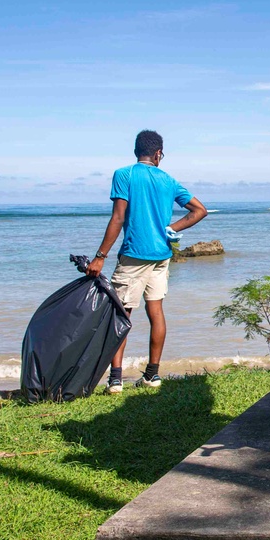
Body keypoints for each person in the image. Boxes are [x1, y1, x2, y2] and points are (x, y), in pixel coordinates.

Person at [86, 130, 207, 393]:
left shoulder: (124, 174)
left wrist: (99, 257)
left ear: (136, 152)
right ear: (158, 153)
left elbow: (118, 218)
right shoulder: (169, 181)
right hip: (162, 255)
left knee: (121, 315)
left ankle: (116, 380)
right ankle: (152, 376)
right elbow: (200, 210)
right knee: (156, 312)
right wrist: (171, 228)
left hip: (134, 255)